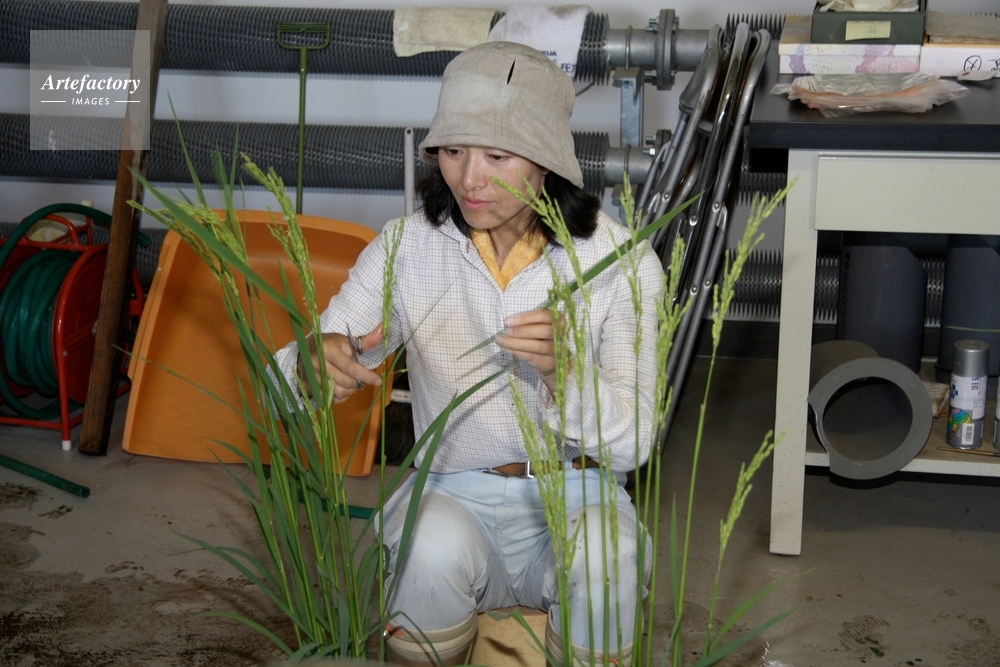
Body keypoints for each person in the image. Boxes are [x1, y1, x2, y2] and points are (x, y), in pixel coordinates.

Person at [273, 41, 662, 666]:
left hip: (580, 494)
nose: (470, 179)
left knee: (605, 556)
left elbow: (637, 441)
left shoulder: (621, 263)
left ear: (547, 159)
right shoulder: (409, 249)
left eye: (497, 156)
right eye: (453, 151)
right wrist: (311, 365)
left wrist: (567, 377)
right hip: (452, 492)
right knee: (427, 548)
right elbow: (286, 380)